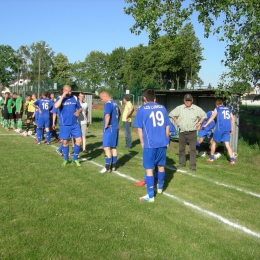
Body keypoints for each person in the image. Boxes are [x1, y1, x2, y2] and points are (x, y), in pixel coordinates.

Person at [133, 89, 170, 202]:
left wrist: (142, 142)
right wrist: (166, 138)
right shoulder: (162, 108)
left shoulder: (142, 109)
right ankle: (160, 188)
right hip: (162, 142)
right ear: (155, 98)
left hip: (150, 143)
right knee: (161, 166)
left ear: (144, 98)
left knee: (149, 168)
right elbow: (167, 125)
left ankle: (150, 196)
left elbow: (139, 128)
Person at [169, 94, 206, 171]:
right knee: (181, 149)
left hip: (192, 132)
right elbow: (171, 114)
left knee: (192, 149)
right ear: (184, 100)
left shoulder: (196, 109)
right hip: (182, 132)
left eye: (189, 100)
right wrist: (176, 120)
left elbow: (204, 115)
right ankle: (182, 163)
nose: (187, 102)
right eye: (186, 100)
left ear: (192, 101)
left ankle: (192, 166)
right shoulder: (180, 108)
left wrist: (199, 123)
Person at [54, 85, 82, 166]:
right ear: (64, 90)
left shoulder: (74, 98)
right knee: (65, 142)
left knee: (79, 140)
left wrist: (78, 111)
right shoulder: (59, 98)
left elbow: (80, 107)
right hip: (64, 125)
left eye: (70, 91)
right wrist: (63, 96)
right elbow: (56, 106)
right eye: (68, 91)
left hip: (74, 124)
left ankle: (75, 159)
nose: (70, 92)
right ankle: (66, 159)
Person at [203, 99, 235, 164]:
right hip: (227, 129)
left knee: (214, 143)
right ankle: (232, 160)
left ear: (217, 104)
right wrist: (232, 128)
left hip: (219, 129)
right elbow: (233, 119)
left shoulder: (217, 109)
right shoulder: (228, 109)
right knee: (227, 145)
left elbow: (212, 117)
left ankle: (211, 158)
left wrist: (205, 125)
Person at [99, 91, 120, 173]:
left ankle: (107, 167)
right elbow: (119, 115)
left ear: (105, 97)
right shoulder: (115, 103)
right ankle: (114, 165)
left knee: (106, 147)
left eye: (101, 99)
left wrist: (106, 125)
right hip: (115, 128)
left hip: (109, 128)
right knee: (113, 147)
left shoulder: (108, 104)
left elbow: (107, 115)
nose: (101, 101)